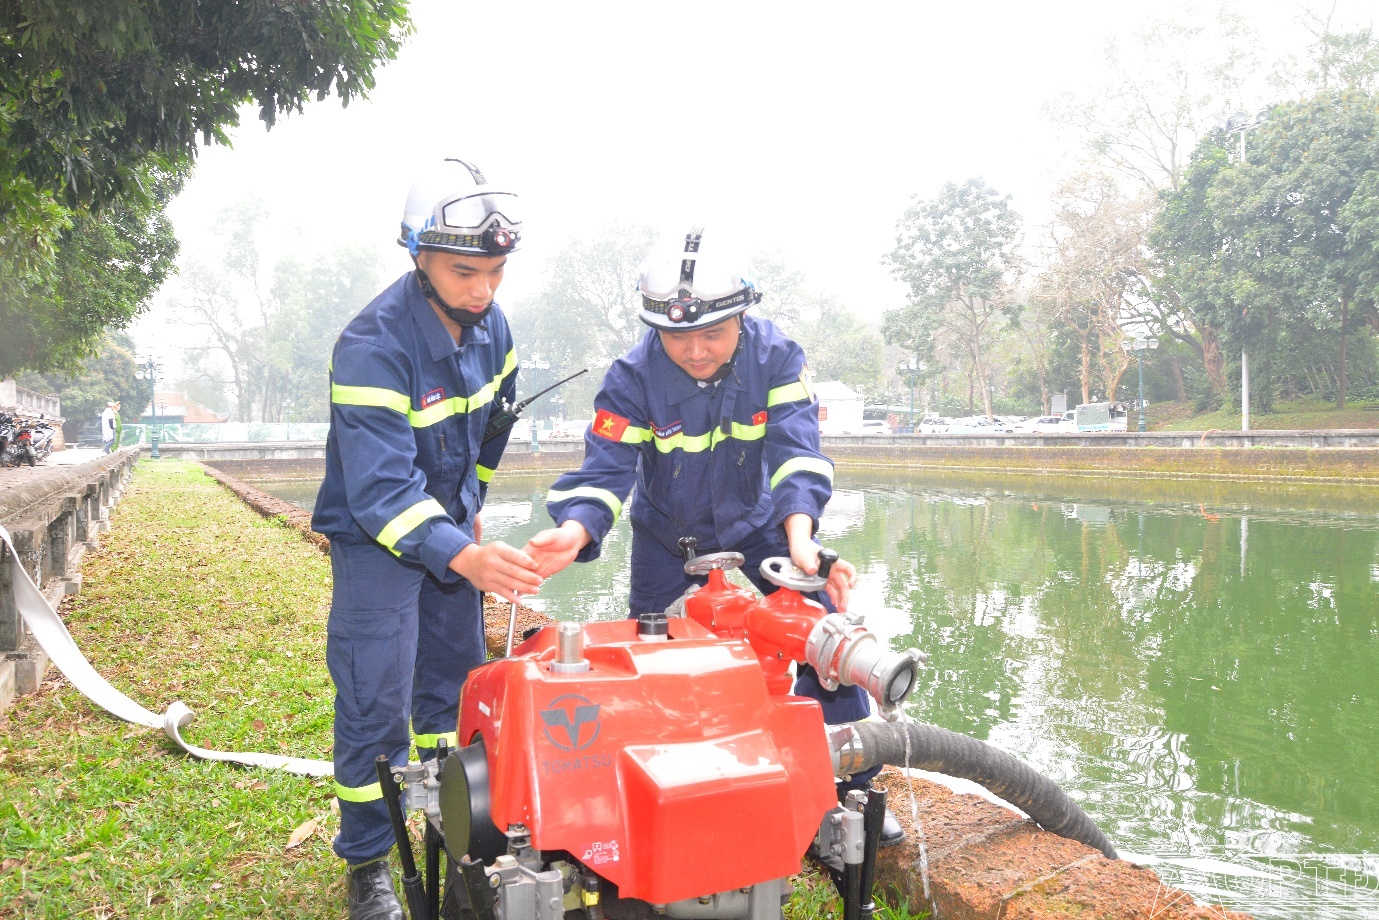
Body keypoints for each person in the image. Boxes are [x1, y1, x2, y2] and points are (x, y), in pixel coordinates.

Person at [523, 226, 902, 846]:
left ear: (742, 316)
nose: (695, 351)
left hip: (759, 527)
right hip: (665, 539)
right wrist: (574, 529)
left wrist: (802, 538)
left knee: (821, 630)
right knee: (652, 658)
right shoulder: (631, 377)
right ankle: (675, 786)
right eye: (677, 336)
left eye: (713, 334)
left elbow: (796, 452)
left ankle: (847, 789)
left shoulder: (777, 358)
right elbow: (606, 468)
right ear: (655, 328)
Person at [311, 158, 542, 920]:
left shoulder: (493, 329)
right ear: (418, 256)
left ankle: (454, 836)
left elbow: (492, 428)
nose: (483, 291)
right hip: (377, 543)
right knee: (374, 703)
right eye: (464, 272)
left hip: (450, 536)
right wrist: (462, 553)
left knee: (455, 693)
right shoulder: (371, 346)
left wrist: (471, 509)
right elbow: (380, 491)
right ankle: (367, 862)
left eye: (496, 273)